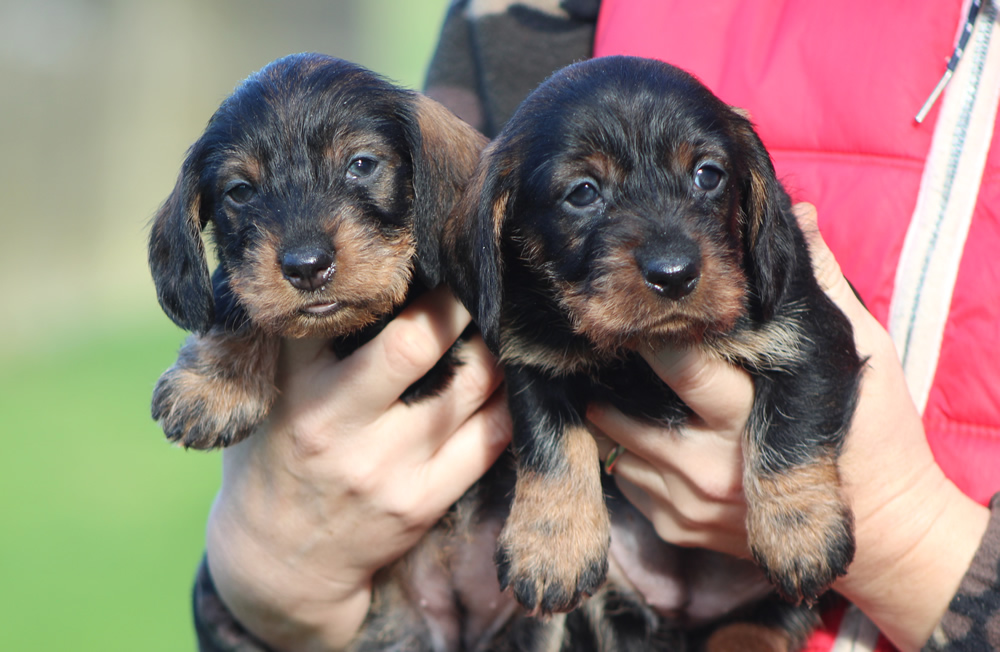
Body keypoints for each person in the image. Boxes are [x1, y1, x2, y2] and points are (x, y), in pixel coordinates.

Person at [194, 1, 1000, 650]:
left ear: (755, 196)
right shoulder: (518, 60)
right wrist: (258, 582)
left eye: (707, 178)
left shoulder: (762, 265)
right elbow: (455, 271)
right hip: (560, 603)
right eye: (583, 193)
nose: (671, 258)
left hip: (781, 603)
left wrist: (905, 535)